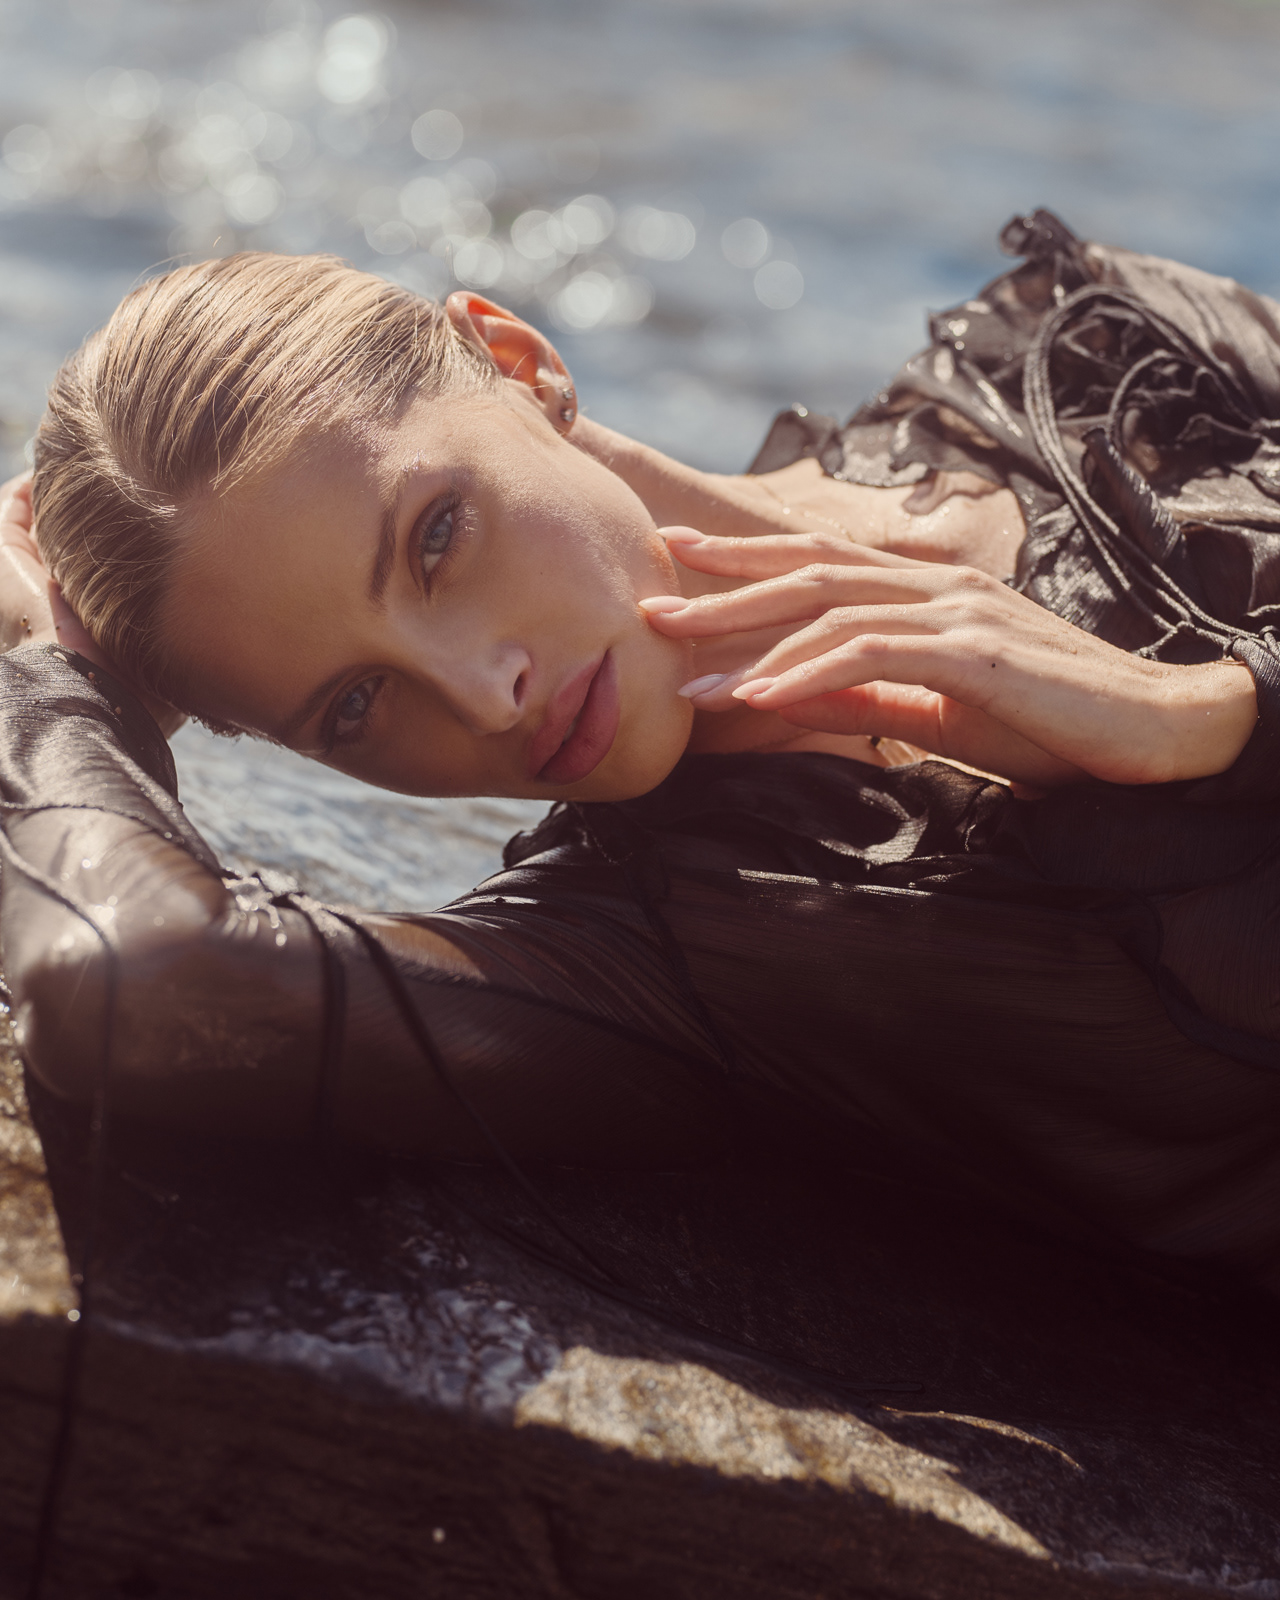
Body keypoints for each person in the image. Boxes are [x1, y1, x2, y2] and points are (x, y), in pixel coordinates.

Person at [3, 210, 1280, 1292]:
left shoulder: (1069, 365)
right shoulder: (655, 955)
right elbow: (136, 976)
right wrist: (45, 675)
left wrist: (1205, 714)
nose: (482, 693)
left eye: (435, 537)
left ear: (516, 360)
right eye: (351, 706)